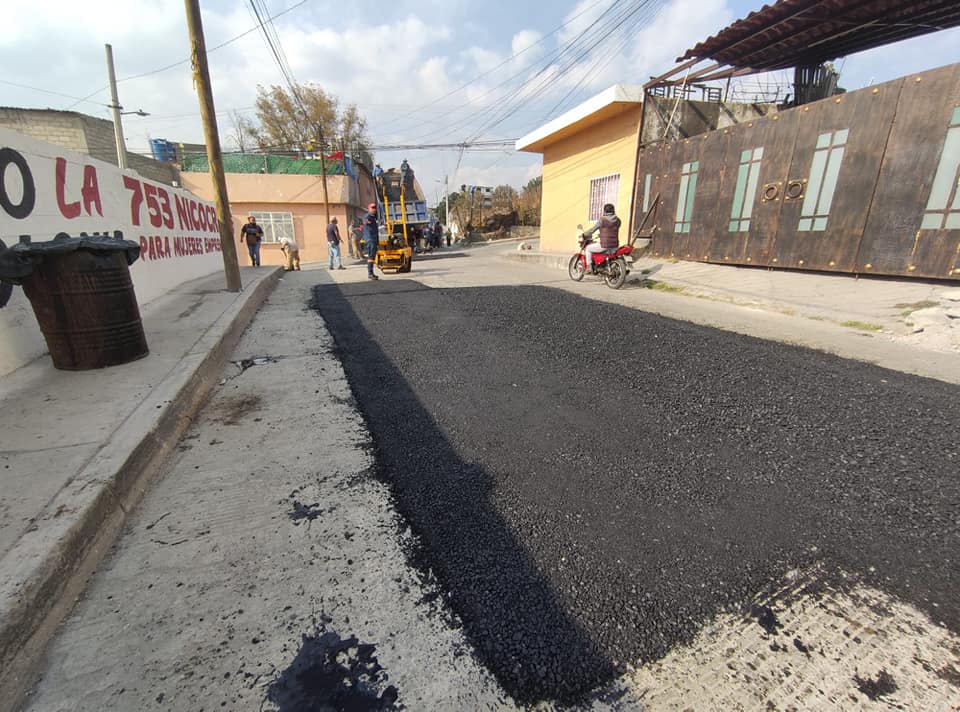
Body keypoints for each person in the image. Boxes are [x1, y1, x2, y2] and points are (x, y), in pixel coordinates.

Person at [581, 203, 621, 273]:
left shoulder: (602, 220)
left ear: (604, 211)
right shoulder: (618, 220)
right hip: (615, 245)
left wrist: (585, 234)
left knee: (588, 249)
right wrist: (602, 234)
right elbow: (611, 230)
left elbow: (593, 229)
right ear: (613, 211)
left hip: (605, 245)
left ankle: (589, 267)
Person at [363, 203, 379, 280]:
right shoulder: (368, 216)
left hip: (373, 239)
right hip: (370, 239)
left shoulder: (373, 217)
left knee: (372, 256)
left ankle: (371, 272)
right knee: (371, 256)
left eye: (375, 207)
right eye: (372, 208)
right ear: (369, 209)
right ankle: (370, 273)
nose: (374, 209)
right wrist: (367, 222)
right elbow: (365, 221)